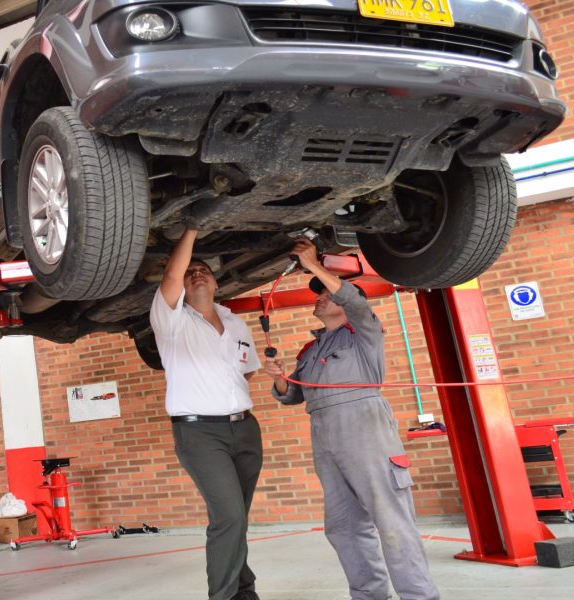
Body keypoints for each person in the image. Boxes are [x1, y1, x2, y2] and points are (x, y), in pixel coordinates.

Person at [264, 240, 439, 600]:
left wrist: (314, 265)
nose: (319, 297)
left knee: (392, 523)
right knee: (343, 527)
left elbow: (356, 302)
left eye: (325, 294)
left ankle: (420, 597)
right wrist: (281, 378)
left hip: (365, 429)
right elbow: (295, 395)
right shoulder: (311, 351)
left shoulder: (364, 333)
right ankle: (369, 595)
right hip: (325, 437)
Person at [150, 225, 263, 600]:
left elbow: (245, 367)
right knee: (228, 517)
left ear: (216, 284)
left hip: (245, 430)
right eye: (190, 271)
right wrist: (193, 229)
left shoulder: (235, 322)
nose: (197, 273)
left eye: (205, 270)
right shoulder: (171, 321)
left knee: (237, 520)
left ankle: (245, 592)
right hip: (200, 435)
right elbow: (170, 275)